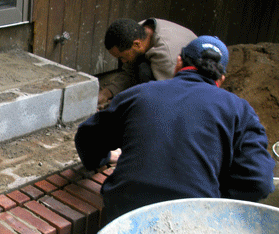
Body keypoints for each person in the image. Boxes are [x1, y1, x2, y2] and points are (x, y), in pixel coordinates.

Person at [75, 35, 275, 223]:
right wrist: (218, 200)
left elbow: (86, 138)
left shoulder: (139, 94)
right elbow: (258, 182)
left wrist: (102, 158)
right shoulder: (240, 111)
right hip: (193, 222)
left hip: (125, 213)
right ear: (221, 79)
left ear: (179, 62)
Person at [98, 18, 197, 109]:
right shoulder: (137, 32)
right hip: (168, 71)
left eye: (122, 57)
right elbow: (129, 72)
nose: (122, 61)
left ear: (137, 44)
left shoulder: (166, 56)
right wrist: (107, 92)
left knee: (144, 70)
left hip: (190, 89)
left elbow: (168, 97)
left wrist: (123, 104)